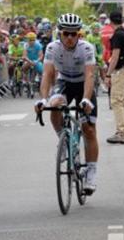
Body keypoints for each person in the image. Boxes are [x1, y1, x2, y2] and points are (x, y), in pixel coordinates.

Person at [35, 13, 100, 194]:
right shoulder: (52, 48)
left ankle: (92, 171)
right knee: (54, 104)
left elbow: (89, 76)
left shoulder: (86, 48)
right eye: (66, 34)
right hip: (64, 81)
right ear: (59, 34)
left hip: (82, 84)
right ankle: (63, 140)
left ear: (79, 34)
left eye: (74, 34)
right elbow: (47, 75)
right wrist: (43, 98)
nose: (70, 38)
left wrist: (86, 99)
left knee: (88, 128)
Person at [105, 11, 124, 144]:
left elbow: (115, 56)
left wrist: (108, 74)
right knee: (122, 102)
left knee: (116, 101)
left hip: (120, 70)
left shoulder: (117, 35)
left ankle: (121, 132)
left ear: (110, 22)